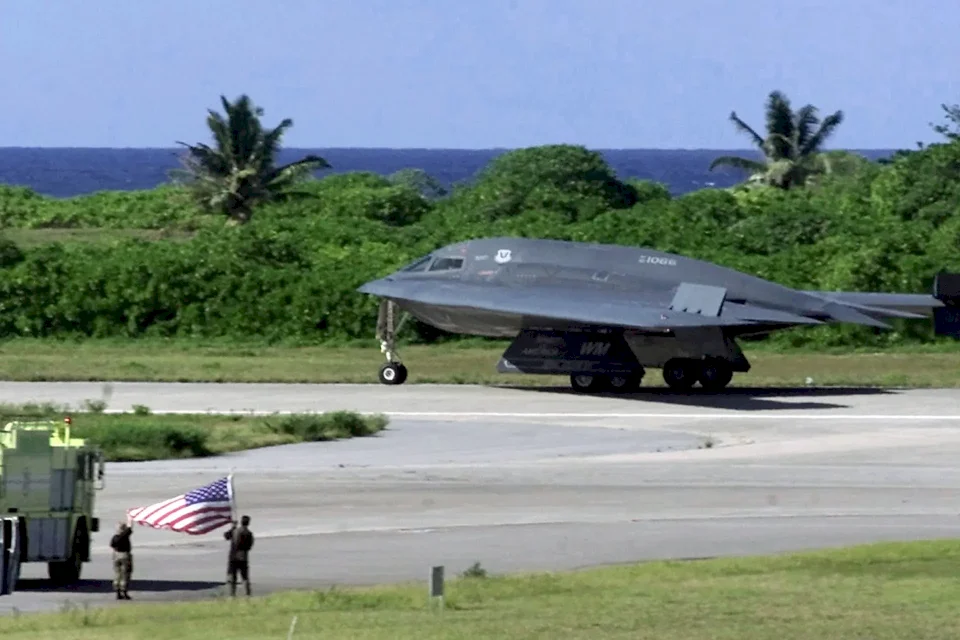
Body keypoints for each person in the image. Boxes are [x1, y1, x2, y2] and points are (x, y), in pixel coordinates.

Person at [224, 515, 254, 596]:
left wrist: (233, 527)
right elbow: (250, 546)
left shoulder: (235, 531)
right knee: (245, 577)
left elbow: (226, 536)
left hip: (233, 557)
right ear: (248, 523)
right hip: (243, 557)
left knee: (232, 577)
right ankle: (247, 594)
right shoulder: (249, 533)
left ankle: (232, 594)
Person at [109, 520, 133, 600]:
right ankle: (124, 591)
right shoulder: (124, 536)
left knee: (117, 573)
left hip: (116, 555)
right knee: (125, 574)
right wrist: (130, 520)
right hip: (124, 555)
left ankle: (117, 591)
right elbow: (130, 528)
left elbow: (112, 545)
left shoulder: (115, 537)